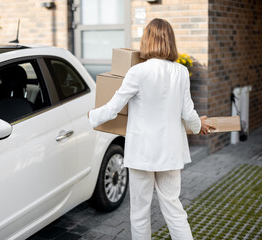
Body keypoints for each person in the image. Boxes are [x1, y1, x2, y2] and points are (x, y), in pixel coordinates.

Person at [88, 18, 215, 240]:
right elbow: (188, 113)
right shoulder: (181, 72)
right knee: (174, 210)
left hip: (142, 153)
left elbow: (113, 108)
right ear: (171, 41)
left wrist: (91, 116)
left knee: (139, 212)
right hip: (170, 152)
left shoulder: (138, 72)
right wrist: (199, 126)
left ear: (147, 40)